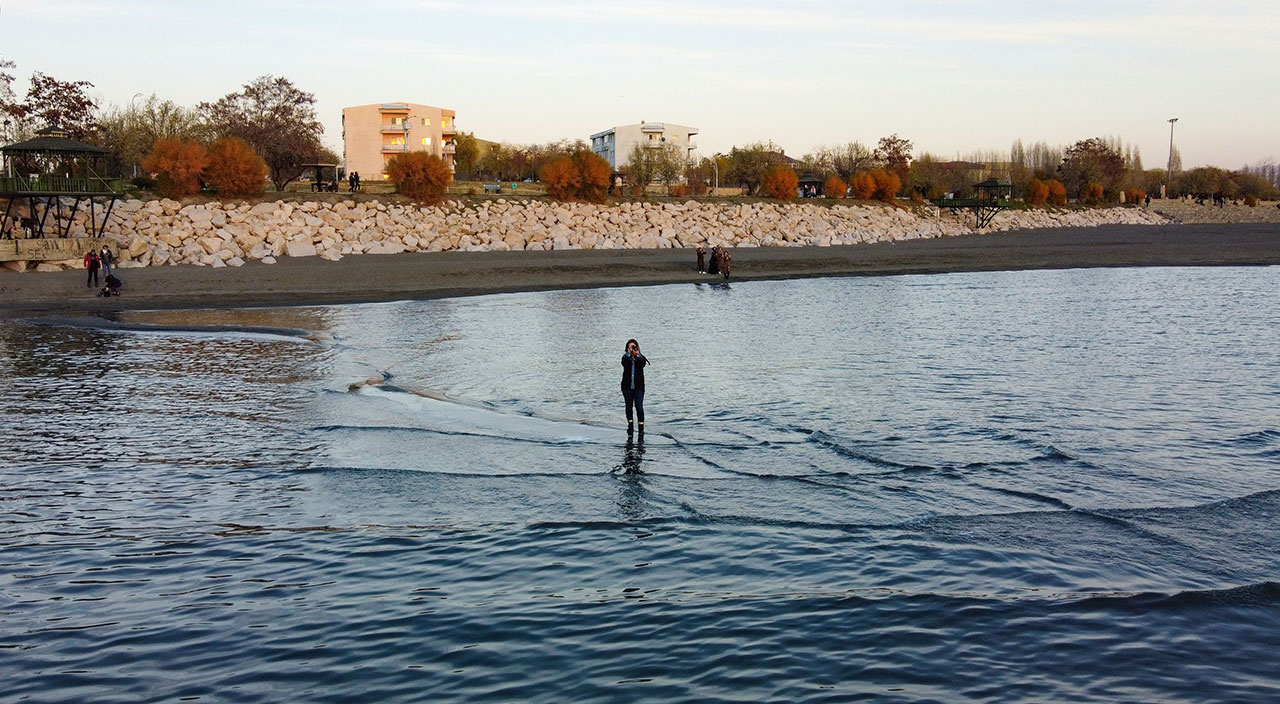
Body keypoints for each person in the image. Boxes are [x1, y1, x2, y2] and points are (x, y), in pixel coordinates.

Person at [620, 338, 648, 431]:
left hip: (639, 387)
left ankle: (641, 426)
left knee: (639, 406)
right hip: (627, 386)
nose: (632, 349)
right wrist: (629, 354)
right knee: (628, 406)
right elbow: (624, 364)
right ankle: (630, 425)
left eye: (633, 347)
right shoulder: (625, 358)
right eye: (630, 347)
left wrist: (637, 354)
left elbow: (642, 365)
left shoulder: (641, 358)